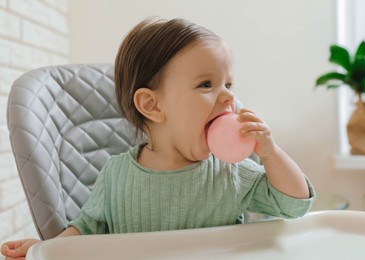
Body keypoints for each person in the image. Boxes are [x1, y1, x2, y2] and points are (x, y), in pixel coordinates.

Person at [1, 17, 315, 259]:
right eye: (206, 84)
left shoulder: (230, 172)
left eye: (228, 85)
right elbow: (86, 230)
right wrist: (43, 249)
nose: (227, 99)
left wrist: (270, 152)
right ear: (152, 105)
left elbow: (294, 205)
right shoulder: (116, 175)